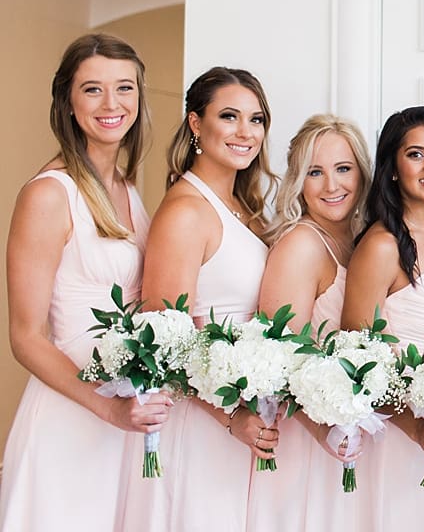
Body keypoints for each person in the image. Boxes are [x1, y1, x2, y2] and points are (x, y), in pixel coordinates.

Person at [1, 34, 170, 531]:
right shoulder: (49, 195)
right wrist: (106, 409)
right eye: (93, 89)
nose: (112, 104)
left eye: (125, 88)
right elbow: (25, 337)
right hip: (72, 416)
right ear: (68, 103)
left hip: (127, 415)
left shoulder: (127, 186)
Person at [127, 67, 277, 531]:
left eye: (256, 120)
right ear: (196, 123)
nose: (245, 132)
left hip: (244, 416)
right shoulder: (186, 211)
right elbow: (166, 341)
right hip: (203, 423)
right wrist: (229, 417)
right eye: (229, 116)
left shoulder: (244, 207)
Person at [341, 106, 424, 532]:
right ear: (393, 168)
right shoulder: (382, 246)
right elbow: (355, 361)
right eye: (416, 155)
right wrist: (414, 427)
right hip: (399, 438)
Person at [248, 114, 373, 530]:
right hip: (309, 438)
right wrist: (324, 432)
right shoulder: (301, 244)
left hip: (347, 435)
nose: (332, 186)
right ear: (298, 181)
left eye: (343, 169)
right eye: (315, 172)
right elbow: (278, 360)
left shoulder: (359, 240)